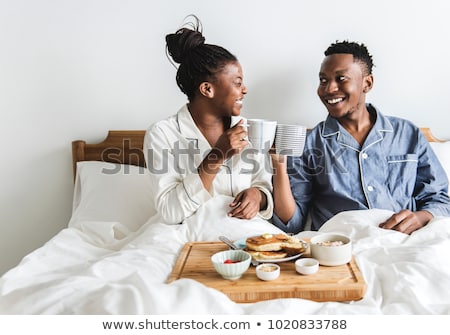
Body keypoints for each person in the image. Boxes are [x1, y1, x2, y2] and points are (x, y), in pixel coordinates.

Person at [271, 40, 450, 235]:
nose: (329, 88)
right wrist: (279, 165)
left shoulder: (408, 135)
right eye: (323, 80)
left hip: (403, 243)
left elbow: (440, 199)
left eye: (341, 78)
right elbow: (291, 224)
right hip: (341, 247)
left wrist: (420, 217)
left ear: (367, 83)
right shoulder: (308, 144)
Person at [143, 15, 273, 224]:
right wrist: (216, 156)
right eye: (237, 83)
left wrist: (258, 196)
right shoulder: (162, 134)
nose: (245, 90)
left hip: (243, 237)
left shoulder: (249, 130)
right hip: (184, 238)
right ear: (207, 89)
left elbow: (263, 186)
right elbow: (170, 212)